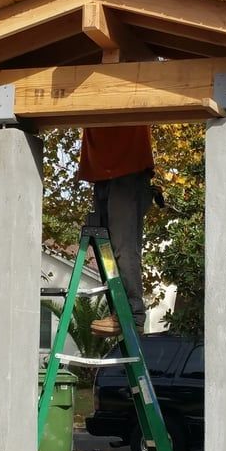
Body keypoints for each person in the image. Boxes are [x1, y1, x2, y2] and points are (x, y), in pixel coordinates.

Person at [77, 125, 154, 336]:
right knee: (106, 249)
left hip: (128, 168)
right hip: (103, 171)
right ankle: (119, 312)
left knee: (123, 248)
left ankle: (132, 314)